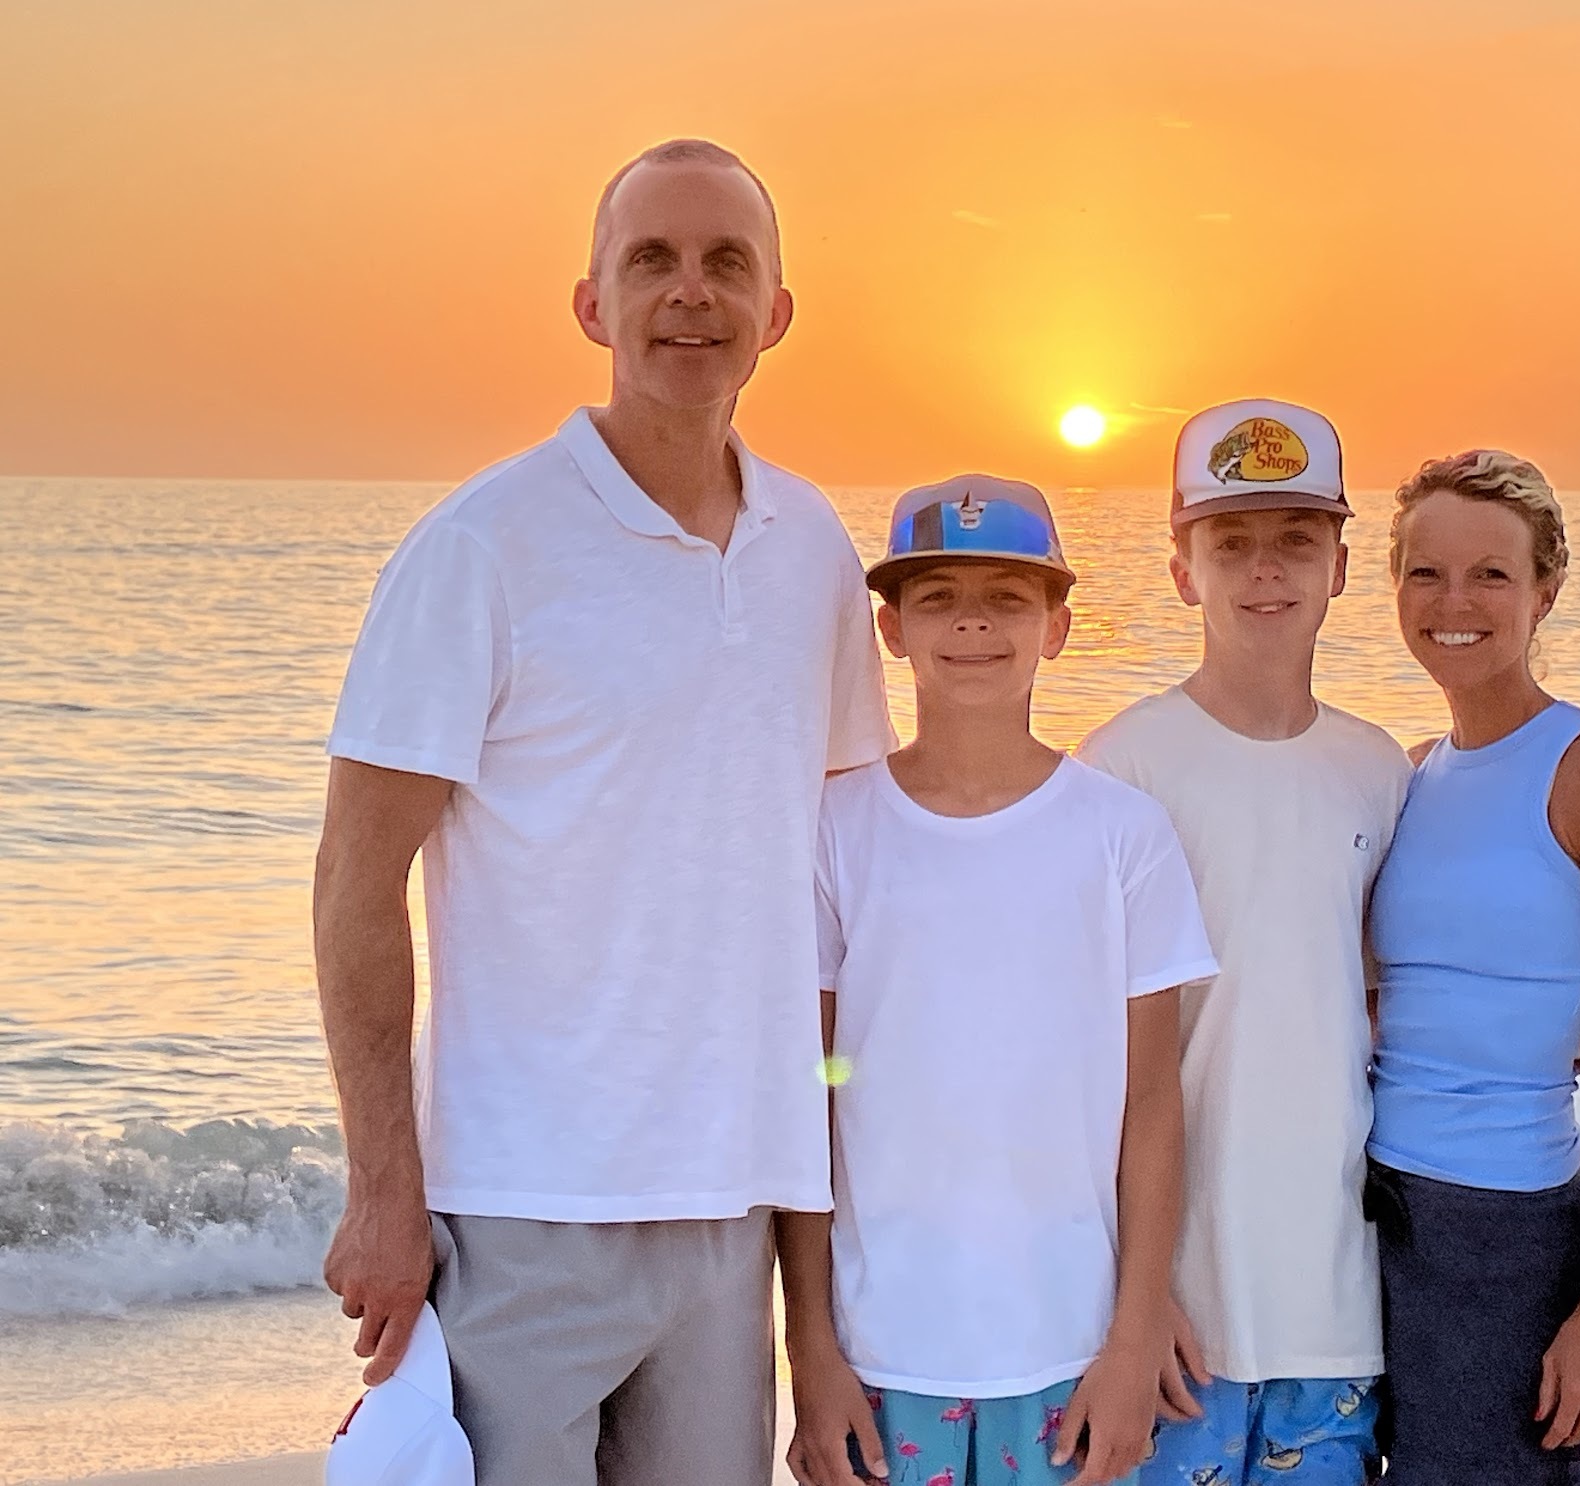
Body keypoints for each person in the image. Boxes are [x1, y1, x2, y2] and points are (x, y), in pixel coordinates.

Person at [312, 138, 893, 1486]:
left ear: (775, 313)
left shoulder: (811, 549)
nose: (691, 292)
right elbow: (355, 876)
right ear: (592, 305)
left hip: (731, 1211)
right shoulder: (481, 546)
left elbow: (836, 891)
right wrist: (384, 1188)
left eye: (725, 262)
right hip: (521, 1205)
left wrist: (824, 1270)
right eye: (652, 261)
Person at [780, 475, 1220, 1486]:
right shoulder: (834, 829)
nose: (972, 622)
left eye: (1008, 598)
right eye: (937, 597)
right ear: (891, 629)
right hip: (881, 1349)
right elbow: (810, 1095)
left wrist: (1132, 1337)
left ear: (1057, 627)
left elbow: (1152, 1104)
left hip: (1069, 1347)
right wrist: (810, 1349)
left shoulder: (1122, 833)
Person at [1079, 400, 1412, 1486]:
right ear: (1182, 569)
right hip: (1176, 1317)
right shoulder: (1122, 768)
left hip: (1333, 1309)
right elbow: (1080, 1058)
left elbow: (1387, 991)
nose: (1265, 569)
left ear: (1340, 567)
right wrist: (1132, 1299)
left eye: (1297, 539)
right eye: (1230, 543)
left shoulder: (1378, 771)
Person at [1365, 450, 1580, 1485]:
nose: (1452, 603)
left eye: (1490, 575)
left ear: (1544, 591)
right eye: (1425, 572)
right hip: (1369, 1214)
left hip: (1504, 1234)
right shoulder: (1407, 774)